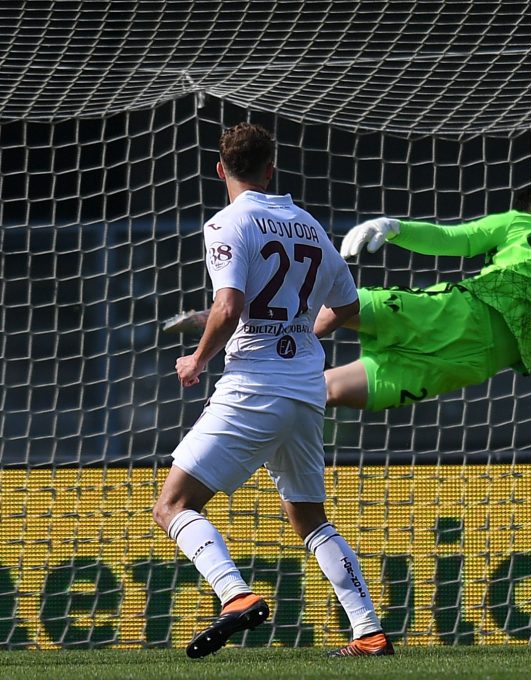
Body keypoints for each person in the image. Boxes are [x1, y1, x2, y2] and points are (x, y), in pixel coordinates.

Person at [164, 153, 531, 412]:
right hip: (459, 312)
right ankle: (235, 325)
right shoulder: (520, 224)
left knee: (322, 393)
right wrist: (396, 228)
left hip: (472, 362)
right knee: (343, 308)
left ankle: (249, 386)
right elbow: (456, 239)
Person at [152, 122, 393, 659]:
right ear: (271, 169)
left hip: (254, 385)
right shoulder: (310, 226)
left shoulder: (228, 222)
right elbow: (348, 306)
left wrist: (197, 359)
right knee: (308, 517)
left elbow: (229, 306)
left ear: (221, 169)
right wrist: (301, 331)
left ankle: (234, 595)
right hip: (305, 388)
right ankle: (369, 631)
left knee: (173, 505)